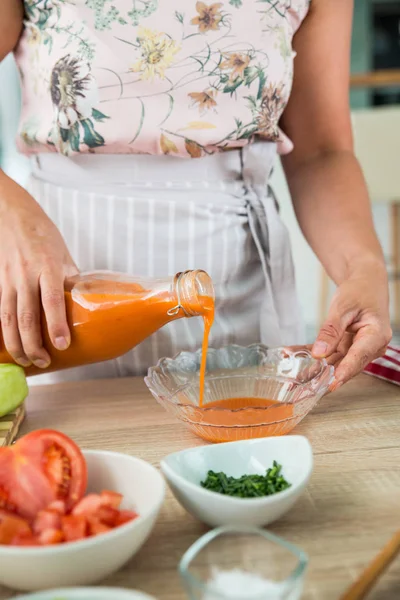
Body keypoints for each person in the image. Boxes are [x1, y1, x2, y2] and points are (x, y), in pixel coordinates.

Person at [0, 0, 392, 386]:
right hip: (62, 285)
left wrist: (364, 268)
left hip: (236, 283)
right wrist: (12, 213)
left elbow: (321, 152)